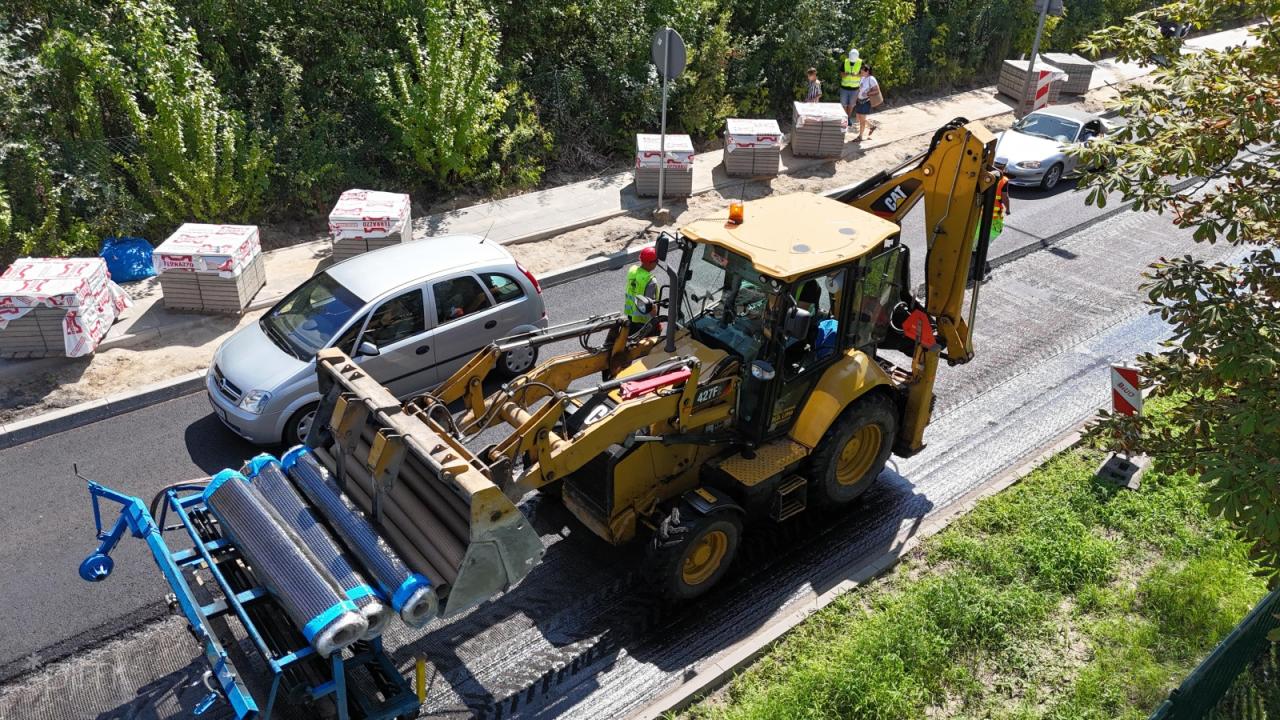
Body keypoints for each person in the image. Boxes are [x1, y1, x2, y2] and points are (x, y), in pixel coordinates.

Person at [624, 246, 660, 336]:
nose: (657, 263)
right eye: (656, 261)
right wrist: (656, 322)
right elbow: (651, 305)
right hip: (643, 321)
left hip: (630, 315)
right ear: (650, 263)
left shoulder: (632, 271)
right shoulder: (650, 280)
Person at [853, 65, 880, 141]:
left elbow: (877, 90)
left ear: (867, 71)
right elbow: (860, 89)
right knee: (858, 118)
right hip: (859, 100)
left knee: (862, 120)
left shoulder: (871, 79)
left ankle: (860, 136)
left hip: (865, 101)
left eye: (862, 70)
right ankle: (871, 126)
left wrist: (868, 94)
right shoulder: (863, 78)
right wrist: (855, 99)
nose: (861, 71)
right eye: (861, 70)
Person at [839, 48, 862, 123]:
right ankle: (845, 118)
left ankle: (848, 118)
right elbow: (841, 74)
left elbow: (863, 74)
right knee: (843, 104)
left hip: (855, 89)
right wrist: (846, 74)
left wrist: (857, 75)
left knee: (851, 105)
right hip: (844, 88)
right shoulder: (845, 62)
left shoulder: (861, 63)